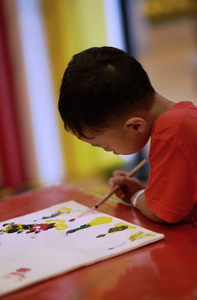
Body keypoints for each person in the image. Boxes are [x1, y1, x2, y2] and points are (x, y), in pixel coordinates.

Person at [58, 46, 197, 225]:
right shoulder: (183, 118)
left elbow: (161, 213)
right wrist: (146, 193)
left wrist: (136, 196)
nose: (110, 151)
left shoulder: (172, 131)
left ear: (135, 126)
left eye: (105, 146)